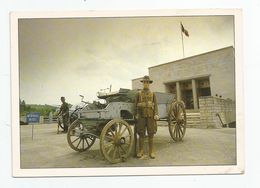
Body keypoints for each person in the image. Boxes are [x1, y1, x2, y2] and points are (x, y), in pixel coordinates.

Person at [134, 75, 159, 159]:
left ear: (149, 83)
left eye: (147, 82)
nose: (146, 84)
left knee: (151, 134)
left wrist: (156, 114)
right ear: (143, 83)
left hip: (151, 116)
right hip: (141, 116)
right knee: (141, 134)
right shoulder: (139, 94)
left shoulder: (153, 94)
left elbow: (155, 105)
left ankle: (151, 151)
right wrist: (136, 114)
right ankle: (141, 151)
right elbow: (135, 105)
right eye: (144, 82)